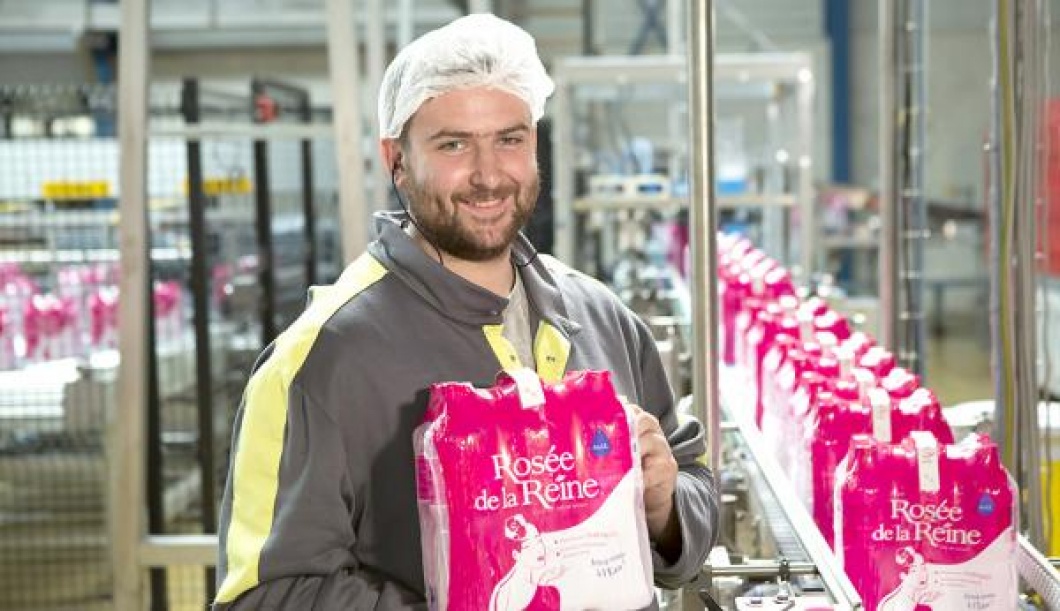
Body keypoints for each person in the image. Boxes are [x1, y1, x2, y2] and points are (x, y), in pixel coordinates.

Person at [213, 13, 719, 610]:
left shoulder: (599, 314)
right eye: (453, 144)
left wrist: (664, 508)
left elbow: (695, 485)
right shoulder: (324, 358)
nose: (487, 175)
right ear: (396, 159)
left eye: (510, 139)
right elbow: (264, 594)